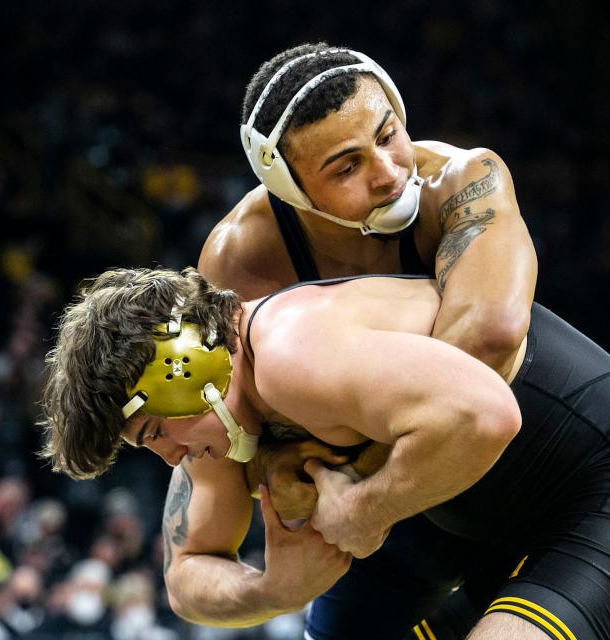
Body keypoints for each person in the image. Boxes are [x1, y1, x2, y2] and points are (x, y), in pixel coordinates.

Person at [39, 266, 610, 639]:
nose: (167, 458)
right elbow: (186, 575)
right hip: (506, 533)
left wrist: (365, 508)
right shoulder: (220, 408)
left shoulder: (289, 351)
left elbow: (486, 415)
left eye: (154, 432)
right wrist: (274, 588)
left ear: (178, 368)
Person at [198, 41, 537, 640]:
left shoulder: (463, 180)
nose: (387, 173)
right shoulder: (241, 257)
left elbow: (486, 346)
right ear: (289, 188)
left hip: (514, 463)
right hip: (398, 518)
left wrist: (349, 486)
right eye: (346, 166)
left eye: (388, 135)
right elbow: (240, 452)